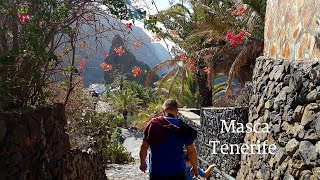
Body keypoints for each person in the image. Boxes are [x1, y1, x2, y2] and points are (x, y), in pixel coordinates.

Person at [139, 99, 199, 180]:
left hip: (157, 172)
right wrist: (195, 167)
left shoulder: (153, 124)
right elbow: (191, 151)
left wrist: (142, 163)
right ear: (177, 111)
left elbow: (144, 147)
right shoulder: (182, 127)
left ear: (163, 110)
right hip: (177, 172)